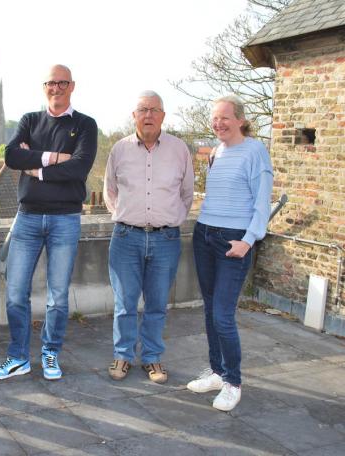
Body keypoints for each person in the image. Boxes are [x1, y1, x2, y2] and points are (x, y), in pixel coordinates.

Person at [0, 64, 97, 381]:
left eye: (62, 83)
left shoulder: (85, 125)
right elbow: (11, 156)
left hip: (65, 218)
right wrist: (56, 157)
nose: (56, 88)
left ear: (72, 86)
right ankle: (19, 357)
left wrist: (36, 165)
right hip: (28, 217)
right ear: (44, 86)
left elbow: (79, 168)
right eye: (51, 83)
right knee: (15, 293)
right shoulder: (29, 120)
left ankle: (50, 352)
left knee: (57, 297)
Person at [186, 95, 273, 411]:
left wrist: (248, 241)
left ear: (240, 120)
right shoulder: (216, 152)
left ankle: (233, 383)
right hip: (204, 235)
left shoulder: (255, 151)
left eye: (225, 117)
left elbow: (262, 202)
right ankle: (217, 372)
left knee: (223, 315)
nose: (218, 123)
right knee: (210, 310)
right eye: (215, 118)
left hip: (233, 241)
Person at [103, 91, 194, 384]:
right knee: (125, 303)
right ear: (134, 116)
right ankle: (123, 355)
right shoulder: (119, 149)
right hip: (126, 238)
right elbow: (109, 191)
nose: (149, 115)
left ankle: (152, 357)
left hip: (165, 240)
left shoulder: (179, 150)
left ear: (163, 116)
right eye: (143, 109)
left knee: (157, 304)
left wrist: (168, 220)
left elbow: (187, 193)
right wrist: (127, 216)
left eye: (155, 110)